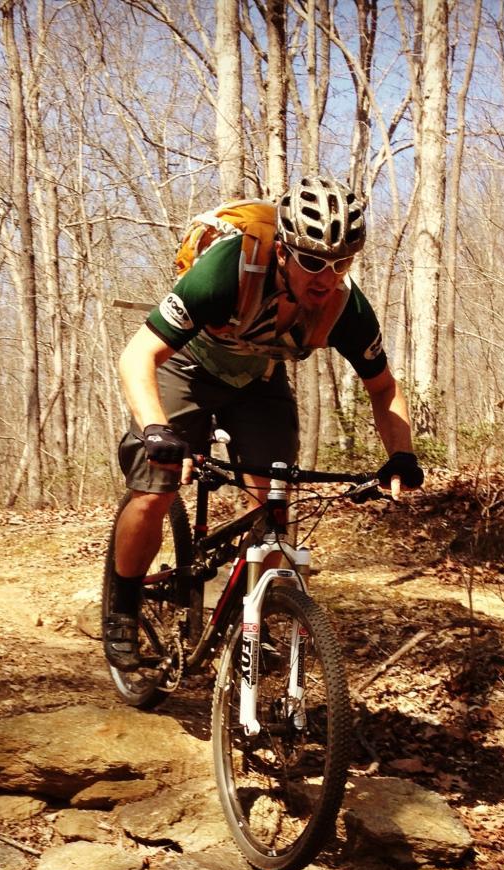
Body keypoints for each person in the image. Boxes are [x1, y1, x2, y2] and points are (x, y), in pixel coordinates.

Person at [104, 174, 424, 671]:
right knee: (156, 487)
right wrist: (156, 429)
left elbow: (384, 388)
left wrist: (401, 455)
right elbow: (137, 355)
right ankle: (122, 605)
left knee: (276, 502)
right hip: (186, 368)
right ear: (282, 253)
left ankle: (251, 615)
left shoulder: (346, 307)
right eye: (313, 262)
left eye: (341, 263)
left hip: (257, 380)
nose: (326, 277)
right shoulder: (225, 272)